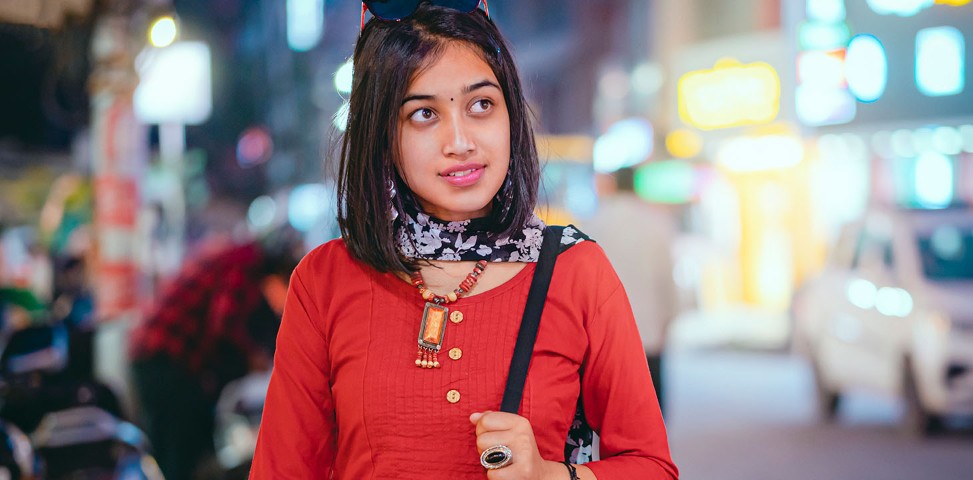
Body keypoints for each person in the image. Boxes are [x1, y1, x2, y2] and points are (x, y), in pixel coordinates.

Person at [250, 2, 677, 479]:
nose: (460, 141)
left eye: (481, 105)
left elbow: (653, 467)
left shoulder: (575, 270)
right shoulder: (325, 280)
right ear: (382, 134)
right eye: (424, 114)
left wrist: (553, 475)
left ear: (510, 114)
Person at [129, 229, 301, 480]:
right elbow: (225, 323)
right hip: (164, 358)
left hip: (158, 356)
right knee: (183, 456)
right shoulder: (242, 265)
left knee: (187, 450)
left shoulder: (238, 259)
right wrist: (252, 357)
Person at [581, 168, 679, 411]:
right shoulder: (656, 224)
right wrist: (668, 321)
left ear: (613, 185)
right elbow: (666, 278)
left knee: (606, 416)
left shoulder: (594, 224)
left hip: (604, 338)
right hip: (649, 334)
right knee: (650, 414)